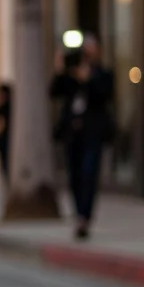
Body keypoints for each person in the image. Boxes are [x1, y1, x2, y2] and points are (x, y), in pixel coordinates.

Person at [50, 36, 114, 241]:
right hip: (72, 133)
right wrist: (60, 69)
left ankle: (85, 217)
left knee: (89, 173)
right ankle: (79, 214)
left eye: (91, 49)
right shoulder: (70, 77)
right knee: (75, 176)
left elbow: (106, 95)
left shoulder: (102, 74)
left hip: (92, 133)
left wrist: (88, 80)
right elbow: (53, 92)